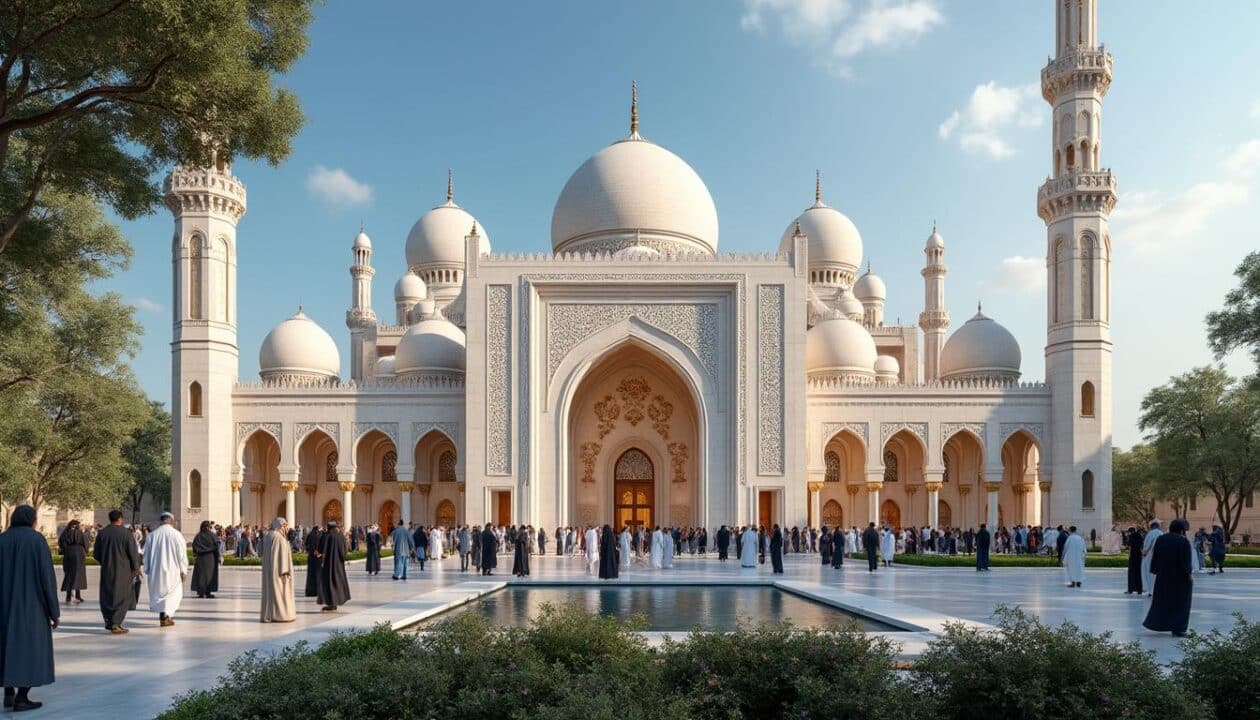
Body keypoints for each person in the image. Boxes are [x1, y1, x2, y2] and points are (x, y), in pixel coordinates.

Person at [1143, 518, 1193, 637]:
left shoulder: (1161, 539)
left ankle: (1157, 624)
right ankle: (1178, 629)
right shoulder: (1183, 541)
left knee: (1162, 601)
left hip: (1163, 576)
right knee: (1181, 603)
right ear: (1181, 530)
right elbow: (1186, 561)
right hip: (1180, 578)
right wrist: (1189, 575)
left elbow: (1156, 555)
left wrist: (1154, 570)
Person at [93, 510, 141, 633]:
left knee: (107, 595)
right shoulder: (126, 533)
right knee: (122, 595)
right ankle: (115, 623)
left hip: (107, 569)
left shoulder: (102, 533)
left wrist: (105, 561)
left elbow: (96, 554)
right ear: (120, 519)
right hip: (123, 570)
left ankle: (109, 621)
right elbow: (133, 553)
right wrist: (136, 567)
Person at [144, 512, 189, 628]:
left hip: (156, 571)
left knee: (160, 593)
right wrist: (183, 570)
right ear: (172, 521)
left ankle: (164, 616)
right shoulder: (177, 535)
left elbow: (146, 554)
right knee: (172, 594)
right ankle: (166, 617)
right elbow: (182, 555)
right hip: (173, 571)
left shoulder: (152, 535)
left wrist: (147, 568)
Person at [260, 518, 296, 622]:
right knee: (280, 594)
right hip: (279, 572)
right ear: (279, 526)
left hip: (270, 571)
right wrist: (284, 571)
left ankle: (271, 614)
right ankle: (281, 615)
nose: (286, 528)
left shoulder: (269, 535)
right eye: (284, 526)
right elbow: (281, 556)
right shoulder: (279, 538)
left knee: (271, 593)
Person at [316, 522, 351, 612]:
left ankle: (331, 604)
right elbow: (345, 551)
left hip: (329, 565)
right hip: (339, 565)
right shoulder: (341, 536)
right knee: (338, 582)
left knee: (329, 583)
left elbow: (321, 549)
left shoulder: (328, 536)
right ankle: (335, 603)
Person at [57, 519, 88, 604]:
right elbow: (85, 543)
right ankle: (78, 596)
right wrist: (85, 551)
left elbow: (61, 544)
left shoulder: (65, 533)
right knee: (79, 574)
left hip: (68, 553)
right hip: (79, 554)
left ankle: (68, 596)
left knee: (69, 574)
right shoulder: (80, 533)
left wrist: (65, 551)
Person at [190, 520, 221, 599]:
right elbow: (216, 547)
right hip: (211, 558)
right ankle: (208, 592)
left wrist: (197, 553)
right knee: (210, 575)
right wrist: (218, 557)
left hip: (201, 558)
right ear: (209, 527)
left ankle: (201, 592)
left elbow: (194, 547)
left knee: (201, 575)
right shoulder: (212, 535)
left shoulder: (198, 536)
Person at [1141, 519, 1164, 595]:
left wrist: (1144, 553)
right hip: (1160, 556)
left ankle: (1149, 589)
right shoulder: (1161, 533)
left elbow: (1146, 545)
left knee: (1148, 573)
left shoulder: (1149, 534)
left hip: (1149, 556)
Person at [304, 524, 324, 598]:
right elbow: (322, 545)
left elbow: (306, 545)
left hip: (311, 558)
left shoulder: (310, 535)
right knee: (318, 574)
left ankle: (310, 591)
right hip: (318, 558)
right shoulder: (319, 535)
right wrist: (319, 552)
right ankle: (318, 591)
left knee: (310, 575)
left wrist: (312, 551)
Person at [1125, 527, 1144, 594]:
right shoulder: (1139, 536)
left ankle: (1131, 589)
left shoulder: (1131, 536)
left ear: (1130, 531)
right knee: (1138, 573)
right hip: (1139, 557)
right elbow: (1142, 547)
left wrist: (1129, 556)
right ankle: (1139, 590)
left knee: (1131, 573)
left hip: (1133, 557)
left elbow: (1130, 547)